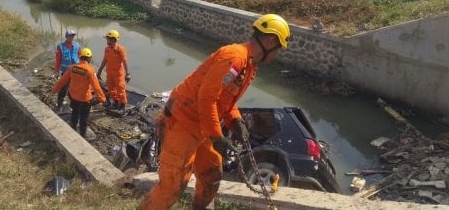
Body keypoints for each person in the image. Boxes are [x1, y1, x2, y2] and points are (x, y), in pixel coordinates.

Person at [137, 14, 291, 210]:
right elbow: (206, 98)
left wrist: (235, 120)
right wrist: (217, 137)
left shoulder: (248, 65)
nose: (277, 54)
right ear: (270, 41)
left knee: (211, 173)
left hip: (200, 126)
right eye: (278, 49)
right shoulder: (234, 58)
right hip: (182, 124)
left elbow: (224, 99)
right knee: (172, 187)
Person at [51, 48, 106, 138]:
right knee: (84, 118)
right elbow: (97, 87)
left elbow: (62, 81)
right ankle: (83, 134)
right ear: (90, 58)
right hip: (85, 99)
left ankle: (72, 127)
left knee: (74, 113)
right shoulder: (90, 71)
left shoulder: (72, 68)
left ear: (79, 57)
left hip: (73, 97)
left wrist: (54, 90)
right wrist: (102, 99)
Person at [96, 29, 131, 110]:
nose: (107, 41)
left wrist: (128, 73)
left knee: (120, 89)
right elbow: (105, 60)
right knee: (111, 89)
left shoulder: (120, 49)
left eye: (108, 39)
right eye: (107, 39)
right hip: (109, 73)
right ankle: (115, 102)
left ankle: (122, 105)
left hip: (118, 74)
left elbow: (124, 61)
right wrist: (99, 71)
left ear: (113, 39)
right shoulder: (107, 49)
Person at [53, 29, 81, 111]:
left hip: (76, 71)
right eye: (70, 36)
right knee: (63, 88)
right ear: (66, 36)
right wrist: (56, 71)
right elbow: (58, 60)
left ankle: (73, 105)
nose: (71, 37)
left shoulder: (77, 45)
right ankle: (60, 104)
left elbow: (80, 57)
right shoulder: (60, 46)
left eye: (73, 36)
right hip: (66, 71)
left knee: (75, 88)